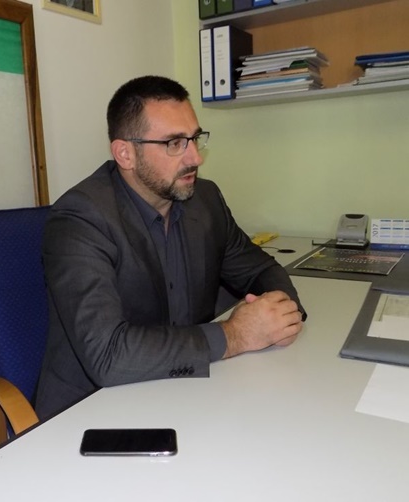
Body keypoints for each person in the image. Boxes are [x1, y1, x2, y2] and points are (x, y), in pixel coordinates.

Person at [34, 75, 306, 420]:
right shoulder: (80, 219)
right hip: (95, 410)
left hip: (187, 391)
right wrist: (235, 335)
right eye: (175, 143)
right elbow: (108, 355)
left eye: (194, 139)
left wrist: (282, 314)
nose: (195, 158)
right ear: (125, 153)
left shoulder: (204, 199)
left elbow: (260, 269)